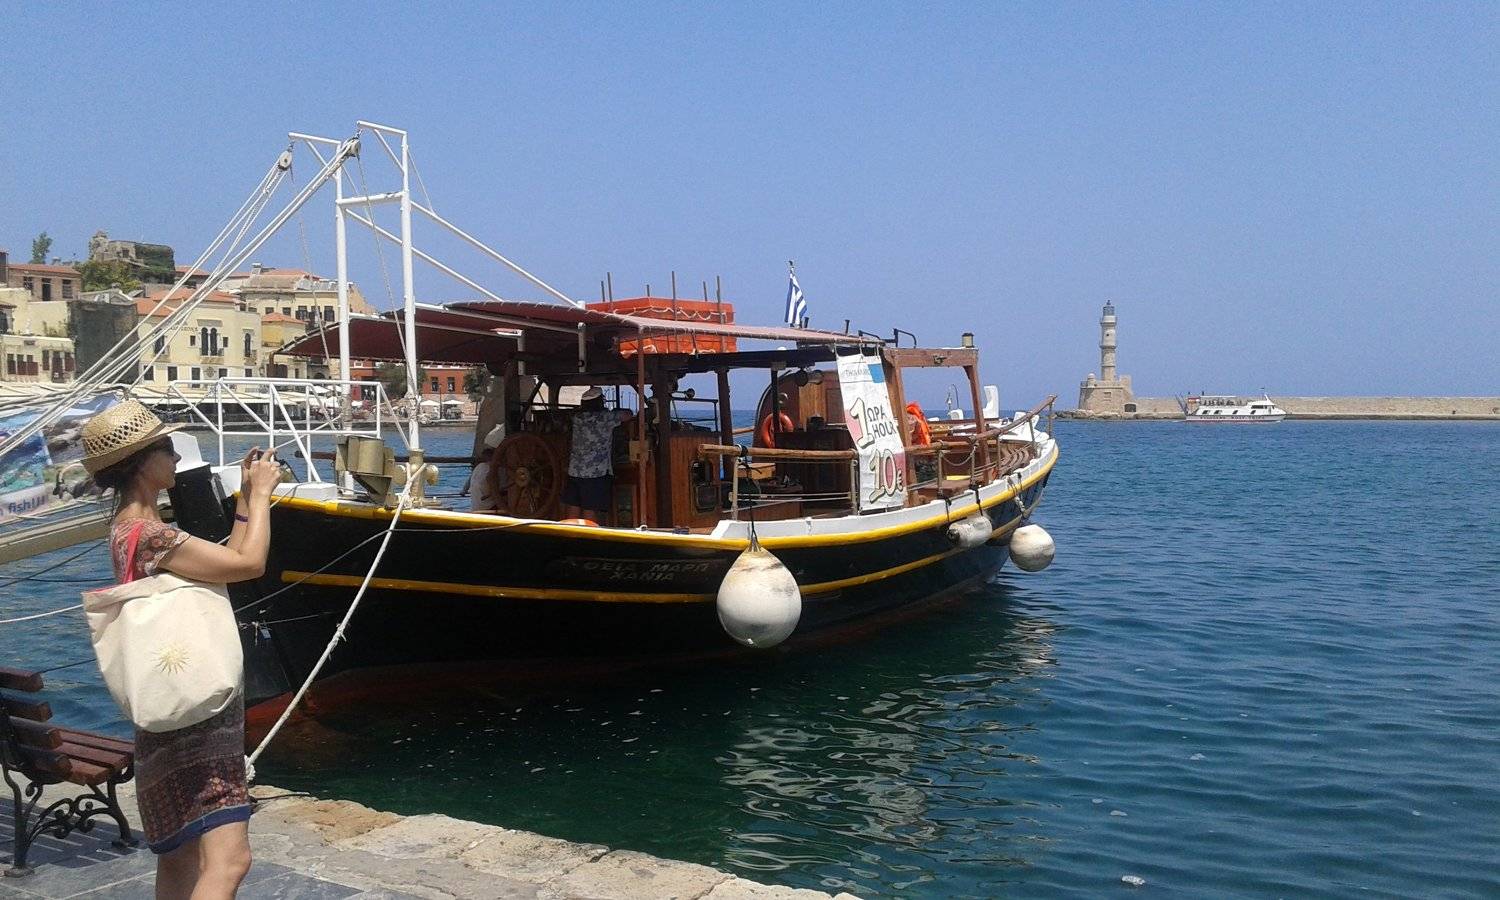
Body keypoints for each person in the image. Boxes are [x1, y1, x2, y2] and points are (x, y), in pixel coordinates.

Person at [81, 399, 282, 900]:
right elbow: (251, 564)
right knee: (230, 861)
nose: (176, 457)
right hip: (199, 718)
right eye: (167, 448)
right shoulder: (152, 535)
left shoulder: (128, 530)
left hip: (167, 714)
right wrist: (261, 495)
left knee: (181, 858)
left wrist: (243, 499)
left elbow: (229, 559)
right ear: (140, 462)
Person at [561, 386, 629, 523]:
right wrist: (615, 411)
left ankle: (570, 533)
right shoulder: (604, 417)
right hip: (595, 473)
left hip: (574, 471)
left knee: (573, 508)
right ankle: (589, 535)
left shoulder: (577, 418)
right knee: (590, 509)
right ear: (600, 402)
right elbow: (627, 415)